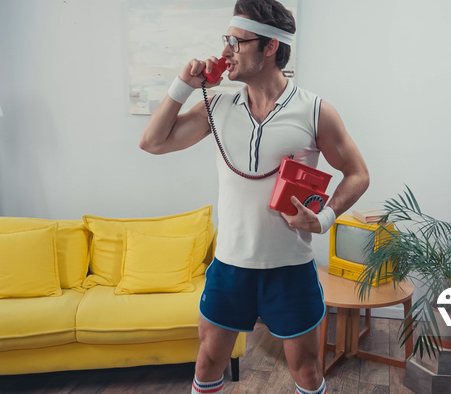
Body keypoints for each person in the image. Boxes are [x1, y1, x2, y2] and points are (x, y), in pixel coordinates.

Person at [139, 1, 369, 393]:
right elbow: (152, 142)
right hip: (230, 267)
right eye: (225, 40)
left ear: (269, 48)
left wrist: (325, 218)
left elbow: (358, 174)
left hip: (290, 268)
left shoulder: (314, 111)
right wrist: (183, 86)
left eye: (236, 41)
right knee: (209, 360)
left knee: (308, 370)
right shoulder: (218, 104)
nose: (225, 50)